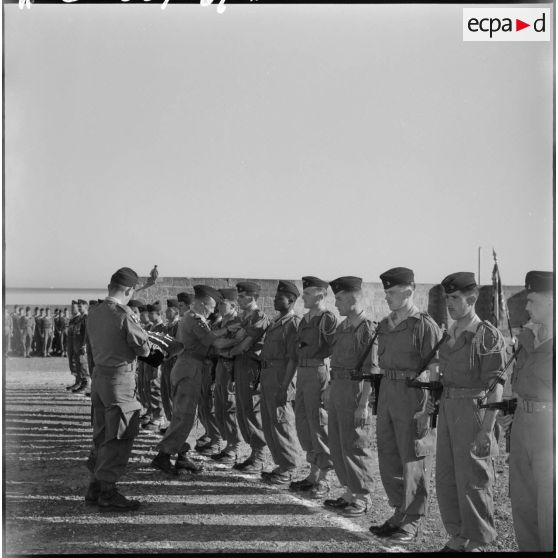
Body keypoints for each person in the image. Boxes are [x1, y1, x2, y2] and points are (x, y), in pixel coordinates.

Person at [432, 272, 505, 552]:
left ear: (472, 299)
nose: (449, 303)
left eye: (454, 298)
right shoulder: (448, 334)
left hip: (474, 408)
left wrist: (487, 428)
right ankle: (458, 533)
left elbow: (496, 385)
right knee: (447, 475)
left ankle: (477, 539)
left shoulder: (486, 335)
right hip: (448, 407)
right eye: (447, 298)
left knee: (473, 476)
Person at [370, 267, 442, 543]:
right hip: (387, 390)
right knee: (388, 453)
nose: (386, 296)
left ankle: (412, 519)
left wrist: (428, 407)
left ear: (409, 292)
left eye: (391, 292)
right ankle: (399, 511)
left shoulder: (424, 325)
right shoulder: (385, 324)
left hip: (412, 392)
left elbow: (435, 368)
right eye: (385, 292)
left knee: (412, 455)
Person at [85, 266, 153, 512]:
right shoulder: (124, 315)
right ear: (128, 291)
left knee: (102, 433)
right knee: (120, 436)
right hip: (119, 381)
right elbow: (143, 348)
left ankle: (95, 486)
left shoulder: (94, 313)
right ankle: (107, 492)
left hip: (99, 378)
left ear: (109, 287)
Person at [497, 271, 554, 552]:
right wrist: (509, 411)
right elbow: (516, 383)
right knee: (522, 499)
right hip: (522, 424)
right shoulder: (527, 338)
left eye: (532, 301)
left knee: (550, 503)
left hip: (550, 428)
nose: (527, 307)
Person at [150, 285, 222, 475]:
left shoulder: (190, 317)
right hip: (190, 368)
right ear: (202, 304)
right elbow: (211, 341)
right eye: (211, 307)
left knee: (188, 414)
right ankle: (163, 455)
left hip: (189, 367)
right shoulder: (194, 319)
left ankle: (183, 455)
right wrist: (229, 331)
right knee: (184, 415)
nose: (212, 311)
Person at [323, 276, 378, 517]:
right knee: (338, 442)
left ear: (354, 298)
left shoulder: (367, 329)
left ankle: (363, 496)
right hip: (338, 386)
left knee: (356, 443)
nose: (336, 304)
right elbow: (335, 361)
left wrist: (363, 404)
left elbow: (371, 370)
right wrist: (329, 386)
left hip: (356, 389)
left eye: (340, 299)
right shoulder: (342, 327)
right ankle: (349, 491)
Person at [286, 276, 337, 497]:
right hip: (303, 372)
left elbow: (335, 351)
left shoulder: (327, 319)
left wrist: (331, 384)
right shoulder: (305, 319)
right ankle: (313, 473)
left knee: (319, 422)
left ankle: (325, 478)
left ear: (321, 295)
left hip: (318, 371)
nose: (303, 297)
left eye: (307, 293)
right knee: (304, 422)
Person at [219, 281, 270, 474]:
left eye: (242, 296)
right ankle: (253, 453)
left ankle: (260, 456)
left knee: (251, 411)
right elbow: (232, 339)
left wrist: (227, 352)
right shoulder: (242, 317)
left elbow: (244, 343)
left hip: (251, 367)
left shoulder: (259, 317)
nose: (238, 299)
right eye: (238, 296)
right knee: (242, 411)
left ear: (253, 297)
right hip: (239, 365)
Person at [257, 280, 302, 485]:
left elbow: (293, 358)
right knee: (269, 422)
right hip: (268, 375)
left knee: (282, 421)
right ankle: (281, 464)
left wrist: (285, 386)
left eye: (279, 298)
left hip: (281, 376)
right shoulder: (276, 321)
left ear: (291, 301)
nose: (274, 301)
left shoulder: (293, 323)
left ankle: (289, 466)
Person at [209, 288, 243, 464]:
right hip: (221, 364)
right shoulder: (220, 323)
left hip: (232, 366)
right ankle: (228, 444)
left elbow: (222, 343)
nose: (219, 307)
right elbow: (213, 342)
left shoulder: (239, 322)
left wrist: (223, 343)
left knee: (230, 406)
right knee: (220, 406)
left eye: (223, 304)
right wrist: (223, 343)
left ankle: (234, 447)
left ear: (233, 305)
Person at [141, 302, 166, 432]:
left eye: (152, 313)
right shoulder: (152, 327)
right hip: (149, 361)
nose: (149, 315)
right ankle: (152, 413)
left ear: (159, 314)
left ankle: (159, 417)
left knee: (156, 388)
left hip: (157, 361)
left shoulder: (162, 328)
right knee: (148, 388)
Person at [161, 299, 180, 425]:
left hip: (174, 362)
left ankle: (176, 422)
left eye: (169, 311)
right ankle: (171, 421)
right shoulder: (167, 326)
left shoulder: (178, 326)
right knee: (166, 392)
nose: (166, 313)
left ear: (176, 312)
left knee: (174, 393)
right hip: (166, 362)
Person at [71, 300, 91, 395]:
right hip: (77, 345)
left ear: (86, 306)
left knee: (84, 365)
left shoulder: (86, 318)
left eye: (80, 306)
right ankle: (81, 383)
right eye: (78, 306)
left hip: (82, 345)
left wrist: (84, 345)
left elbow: (87, 333)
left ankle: (86, 385)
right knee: (79, 365)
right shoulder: (80, 318)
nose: (79, 308)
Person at [66, 301, 81, 390]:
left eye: (74, 308)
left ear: (78, 308)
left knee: (76, 362)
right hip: (70, 342)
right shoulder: (72, 319)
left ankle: (79, 382)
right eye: (71, 308)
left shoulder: (79, 318)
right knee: (72, 362)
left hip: (76, 342)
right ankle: (77, 381)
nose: (72, 309)